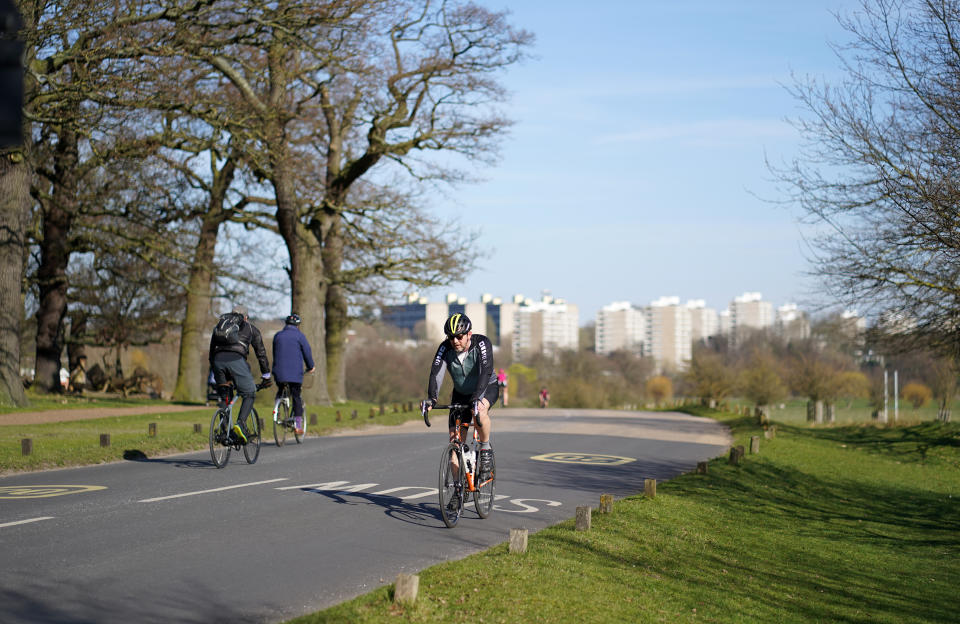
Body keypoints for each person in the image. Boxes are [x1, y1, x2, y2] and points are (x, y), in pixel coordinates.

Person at [424, 313, 498, 511]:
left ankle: (485, 449)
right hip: (460, 394)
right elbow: (436, 373)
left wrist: (477, 398)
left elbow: (485, 371)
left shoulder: (482, 343)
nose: (455, 341)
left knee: (480, 413)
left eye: (459, 336)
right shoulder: (445, 348)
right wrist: (432, 399)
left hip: (485, 388)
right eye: (451, 337)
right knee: (455, 442)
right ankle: (458, 491)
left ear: (469, 334)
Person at [209, 304, 271, 444]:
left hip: (218, 362)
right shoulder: (250, 328)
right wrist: (266, 375)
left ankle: (224, 433)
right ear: (246, 317)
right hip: (236, 361)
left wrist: (216, 370)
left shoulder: (221, 325)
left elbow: (211, 352)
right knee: (249, 392)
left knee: (225, 395)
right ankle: (241, 424)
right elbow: (261, 353)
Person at [272, 313, 315, 435]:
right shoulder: (300, 336)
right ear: (297, 325)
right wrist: (311, 366)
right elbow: (307, 352)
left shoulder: (278, 336)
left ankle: (277, 409)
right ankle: (298, 425)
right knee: (296, 396)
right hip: (295, 374)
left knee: (281, 390)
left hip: (279, 372)